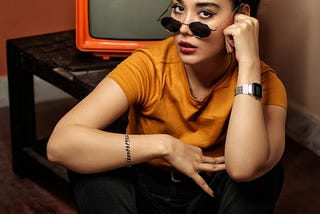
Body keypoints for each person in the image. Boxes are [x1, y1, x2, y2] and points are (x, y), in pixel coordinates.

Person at [47, 0, 287, 213]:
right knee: (90, 161)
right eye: (179, 9)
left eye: (204, 13)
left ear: (241, 17)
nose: (183, 26)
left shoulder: (265, 82)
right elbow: (59, 145)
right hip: (145, 187)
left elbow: (244, 169)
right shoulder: (150, 64)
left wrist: (249, 63)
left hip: (212, 195)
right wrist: (164, 146)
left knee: (263, 171)